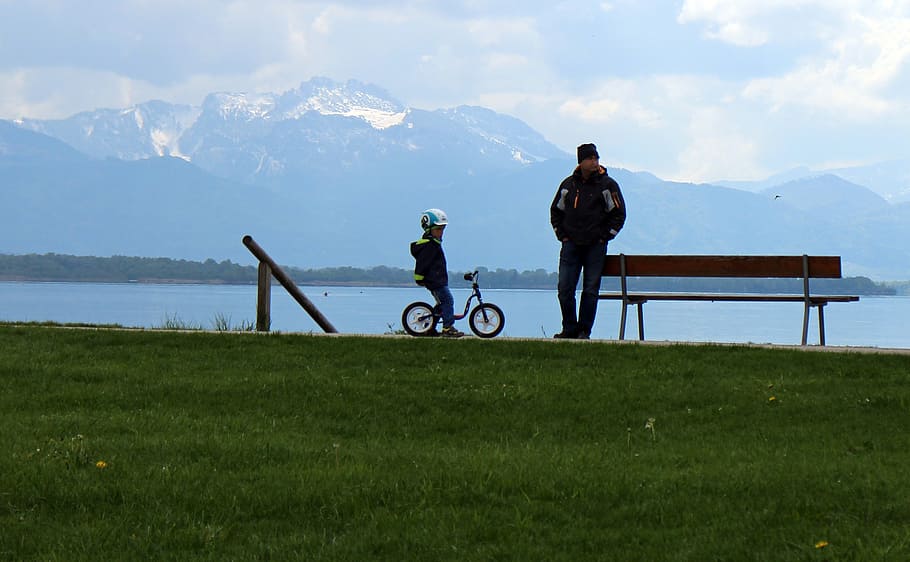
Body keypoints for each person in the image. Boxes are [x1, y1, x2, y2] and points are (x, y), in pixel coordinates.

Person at [550, 143, 627, 339]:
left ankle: (584, 330)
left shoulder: (607, 185)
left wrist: (605, 237)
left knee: (590, 290)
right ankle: (569, 328)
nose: (595, 162)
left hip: (595, 246)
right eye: (591, 158)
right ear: (581, 162)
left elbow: (619, 214)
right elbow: (556, 211)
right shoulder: (568, 185)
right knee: (565, 289)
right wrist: (562, 235)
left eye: (596, 158)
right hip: (570, 245)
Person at [410, 208, 464, 338]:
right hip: (435, 281)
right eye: (438, 229)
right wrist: (419, 277)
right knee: (448, 301)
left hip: (438, 280)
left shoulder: (434, 244)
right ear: (428, 230)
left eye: (442, 229)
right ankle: (447, 327)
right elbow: (423, 263)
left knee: (441, 304)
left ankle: (430, 328)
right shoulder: (429, 246)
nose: (441, 233)